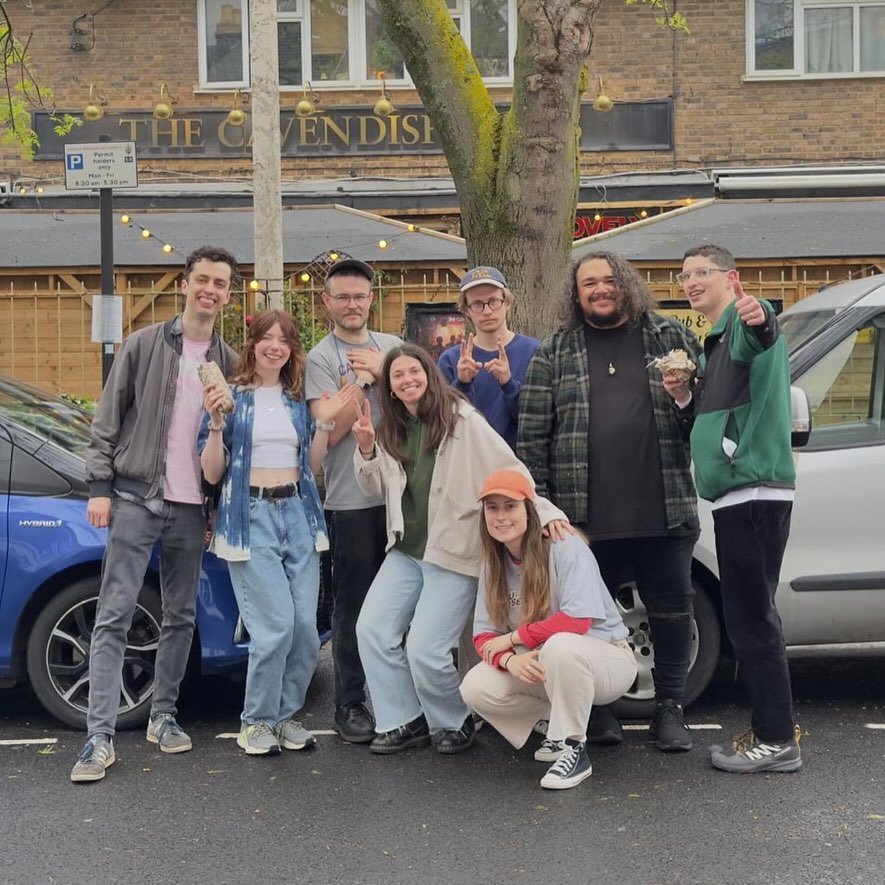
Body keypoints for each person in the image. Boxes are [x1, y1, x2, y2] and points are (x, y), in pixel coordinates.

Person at [518, 250, 702, 752]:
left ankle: (670, 711)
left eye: (607, 280)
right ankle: (599, 712)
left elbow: (704, 422)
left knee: (670, 614)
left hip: (663, 510)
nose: (599, 289)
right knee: (587, 621)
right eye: (588, 284)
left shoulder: (670, 337)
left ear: (625, 284)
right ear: (575, 296)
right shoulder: (555, 350)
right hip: (583, 521)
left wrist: (685, 398)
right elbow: (532, 437)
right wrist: (547, 513)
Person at [72, 245, 240, 783]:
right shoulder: (144, 345)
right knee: (114, 614)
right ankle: (98, 737)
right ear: (185, 285)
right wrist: (100, 486)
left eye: (221, 283)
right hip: (135, 498)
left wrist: (216, 505)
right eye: (202, 280)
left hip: (193, 508)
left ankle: (163, 716)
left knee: (180, 616)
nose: (210, 290)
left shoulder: (230, 362)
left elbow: (230, 443)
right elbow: (107, 419)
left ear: (229, 294)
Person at [351, 344, 570, 755]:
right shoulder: (393, 427)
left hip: (452, 552)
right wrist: (366, 449)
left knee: (426, 649)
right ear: (390, 388)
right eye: (397, 376)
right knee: (372, 630)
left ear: (429, 374)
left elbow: (509, 468)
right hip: (405, 550)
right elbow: (376, 487)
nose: (407, 380)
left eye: (414, 371)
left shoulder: (462, 421)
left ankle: (454, 720)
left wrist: (545, 509)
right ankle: (404, 719)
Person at [663, 244, 800, 773]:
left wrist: (759, 309)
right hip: (739, 495)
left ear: (731, 278)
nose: (690, 281)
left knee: (752, 619)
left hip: (753, 493)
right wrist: (682, 397)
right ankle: (770, 728)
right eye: (684, 275)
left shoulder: (742, 325)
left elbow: (764, 324)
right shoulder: (713, 345)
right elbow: (703, 418)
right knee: (749, 616)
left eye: (701, 272)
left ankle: (777, 740)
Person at [198, 309, 354, 755]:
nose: (274, 346)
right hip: (250, 518)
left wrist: (325, 422)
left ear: (291, 350)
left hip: (299, 515)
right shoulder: (231, 397)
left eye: (283, 340)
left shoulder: (295, 401)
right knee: (275, 628)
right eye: (266, 338)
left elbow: (313, 466)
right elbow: (212, 473)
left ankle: (284, 716)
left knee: (305, 628)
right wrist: (213, 423)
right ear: (253, 345)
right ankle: (257, 721)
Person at [460, 469, 637, 790]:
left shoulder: (563, 543)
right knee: (475, 686)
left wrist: (514, 639)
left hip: (606, 659)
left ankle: (573, 749)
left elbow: (576, 621)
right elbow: (483, 637)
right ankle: (554, 728)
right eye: (492, 507)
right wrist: (511, 660)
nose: (501, 517)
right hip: (547, 664)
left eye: (510, 506)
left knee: (560, 645)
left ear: (529, 509)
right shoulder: (492, 561)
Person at [305, 258, 402, 743]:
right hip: (350, 499)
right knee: (355, 604)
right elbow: (332, 430)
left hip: (403, 495)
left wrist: (385, 372)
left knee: (405, 601)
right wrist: (363, 384)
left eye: (358, 296)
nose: (351, 304)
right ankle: (348, 704)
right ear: (326, 302)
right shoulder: (320, 358)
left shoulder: (394, 348)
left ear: (371, 298)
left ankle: (400, 700)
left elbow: (419, 404)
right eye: (341, 296)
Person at [438, 267, 539, 450]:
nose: (486, 311)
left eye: (493, 301)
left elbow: (537, 421)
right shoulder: (451, 360)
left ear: (507, 303)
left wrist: (508, 384)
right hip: (469, 467)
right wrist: (462, 384)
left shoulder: (534, 352)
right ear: (466, 310)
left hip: (519, 468)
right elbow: (445, 425)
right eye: (477, 304)